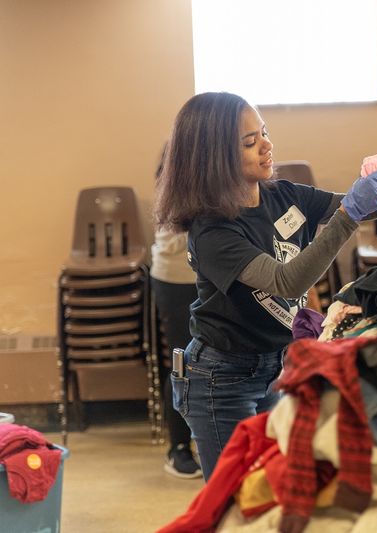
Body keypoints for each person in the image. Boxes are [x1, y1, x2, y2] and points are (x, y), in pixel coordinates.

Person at [154, 91, 377, 479]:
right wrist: (350, 213)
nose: (266, 145)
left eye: (264, 132)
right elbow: (286, 281)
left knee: (275, 489)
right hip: (221, 380)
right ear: (215, 158)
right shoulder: (213, 232)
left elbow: (362, 205)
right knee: (236, 499)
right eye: (250, 142)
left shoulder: (284, 195)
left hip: (274, 367)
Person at [151, 149, 203, 479]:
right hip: (177, 278)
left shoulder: (225, 162)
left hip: (214, 277)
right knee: (182, 361)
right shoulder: (174, 168)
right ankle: (178, 447)